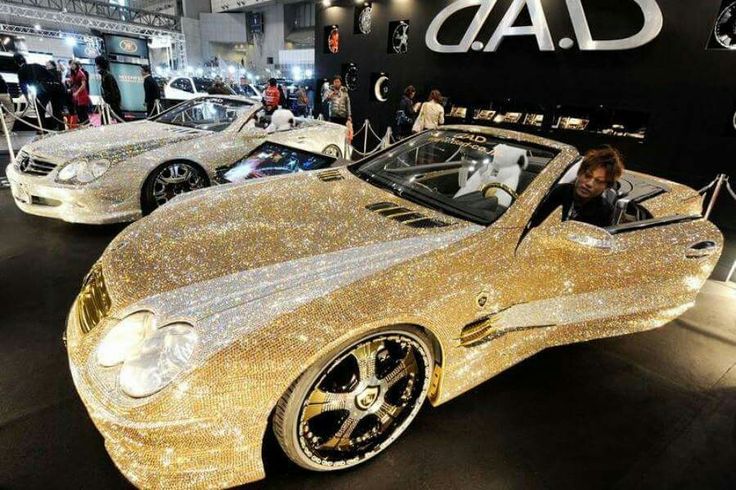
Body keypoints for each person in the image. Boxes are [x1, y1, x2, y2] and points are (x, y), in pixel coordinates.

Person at [532, 146, 625, 229]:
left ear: (606, 186)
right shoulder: (556, 192)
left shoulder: (604, 211)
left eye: (598, 181)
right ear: (579, 173)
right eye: (587, 176)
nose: (589, 184)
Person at [13, 53, 65, 130]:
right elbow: (50, 75)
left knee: (40, 110)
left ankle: (44, 130)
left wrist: (27, 99)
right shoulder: (36, 65)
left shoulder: (21, 71)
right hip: (54, 88)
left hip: (42, 90)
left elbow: (23, 87)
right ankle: (61, 128)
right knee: (56, 109)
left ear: (16, 62)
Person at [94, 56, 123, 122]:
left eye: (96, 64)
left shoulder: (107, 76)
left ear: (99, 64)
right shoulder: (104, 75)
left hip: (112, 102)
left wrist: (112, 101)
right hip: (109, 102)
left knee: (119, 118)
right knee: (107, 118)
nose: (96, 66)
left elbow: (113, 90)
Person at [68, 60, 90, 124]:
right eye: (71, 65)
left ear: (76, 65)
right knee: (78, 111)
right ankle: (83, 124)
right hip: (76, 95)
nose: (72, 66)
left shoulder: (81, 73)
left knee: (83, 111)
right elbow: (73, 84)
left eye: (73, 64)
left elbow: (83, 85)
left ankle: (87, 124)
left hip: (82, 94)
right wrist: (70, 85)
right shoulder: (72, 73)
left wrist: (77, 92)